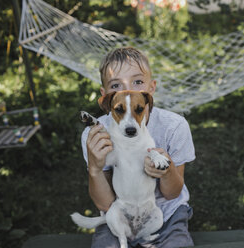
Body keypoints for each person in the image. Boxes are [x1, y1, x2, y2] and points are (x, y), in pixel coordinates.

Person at [81, 47, 195, 248]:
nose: (129, 91)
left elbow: (172, 193)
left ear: (151, 88)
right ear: (105, 96)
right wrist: (95, 168)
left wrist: (166, 172)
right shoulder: (96, 134)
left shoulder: (174, 126)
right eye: (116, 85)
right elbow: (105, 204)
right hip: (119, 213)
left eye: (138, 82)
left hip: (166, 213)